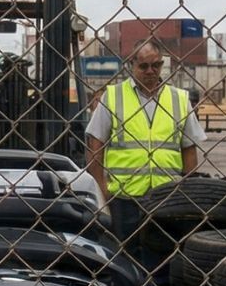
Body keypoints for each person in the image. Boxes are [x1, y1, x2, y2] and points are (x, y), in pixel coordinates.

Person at [85, 41, 203, 246]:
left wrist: (187, 191)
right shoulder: (112, 97)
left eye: (156, 65)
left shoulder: (179, 99)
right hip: (124, 199)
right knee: (126, 256)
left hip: (167, 198)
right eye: (143, 66)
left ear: (162, 64)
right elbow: (95, 147)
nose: (150, 71)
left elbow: (189, 150)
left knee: (163, 259)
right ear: (131, 65)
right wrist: (102, 193)